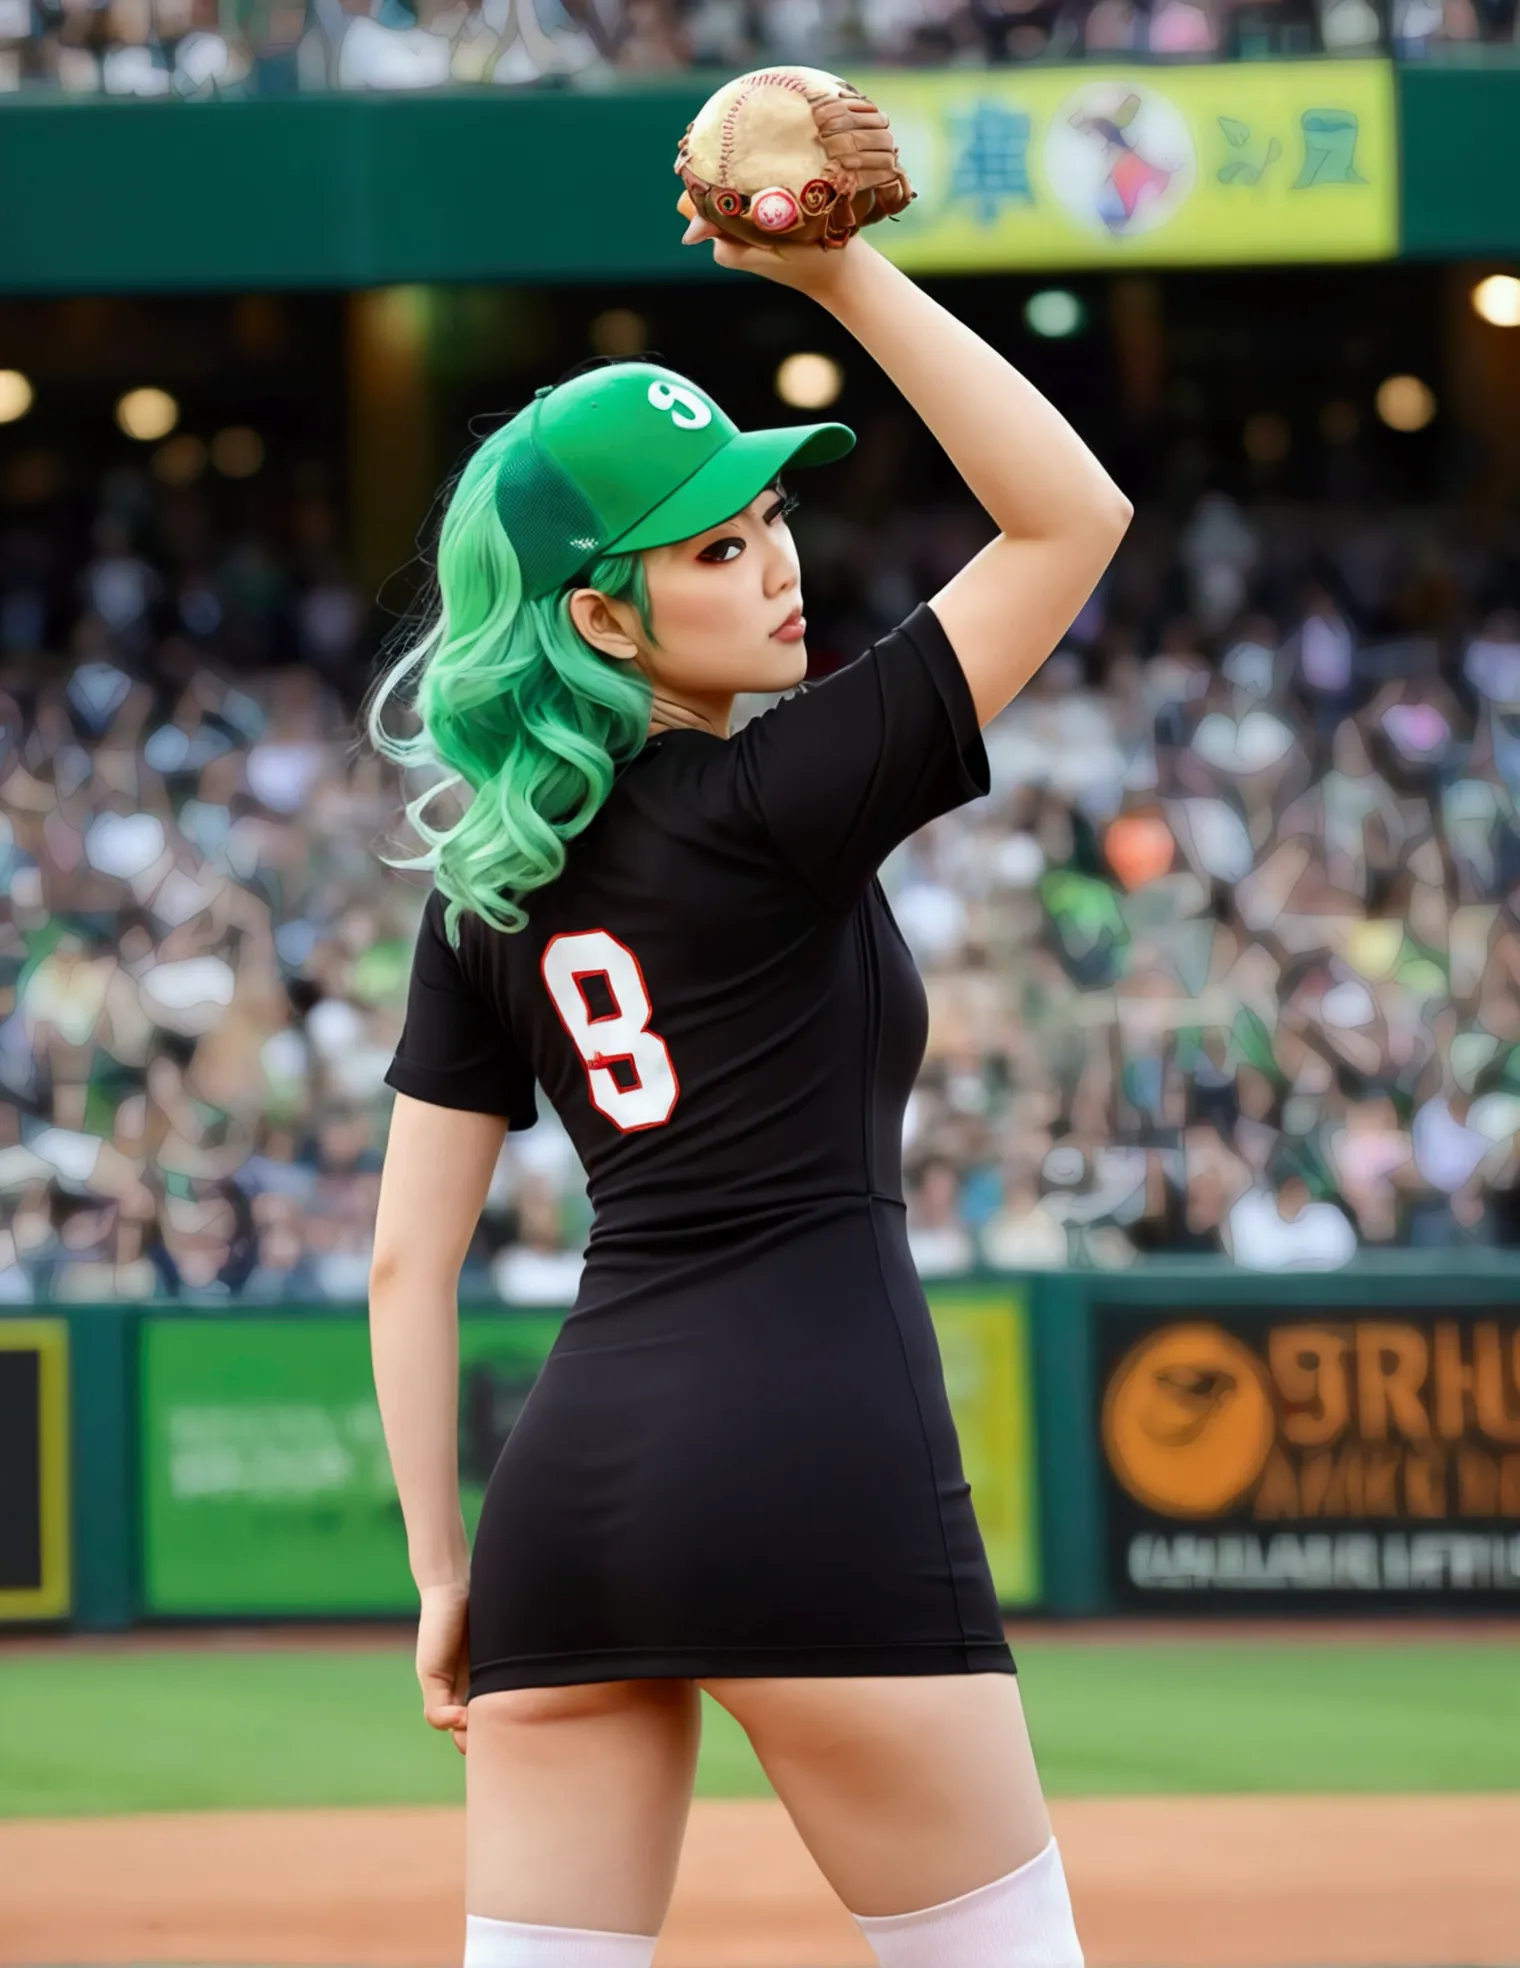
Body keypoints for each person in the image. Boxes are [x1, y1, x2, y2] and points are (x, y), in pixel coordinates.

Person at [365, 205, 1131, 1968]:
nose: (774, 560)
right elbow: (1073, 515)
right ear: (596, 615)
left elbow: (409, 1266)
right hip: (820, 1460)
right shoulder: (780, 798)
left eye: (770, 517)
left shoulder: (483, 885)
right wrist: (839, 276)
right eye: (713, 547)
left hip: (573, 1503)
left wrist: (443, 1573)